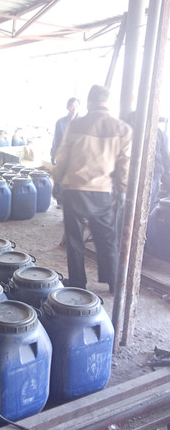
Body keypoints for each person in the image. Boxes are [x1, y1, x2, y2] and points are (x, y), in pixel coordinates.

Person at [52, 84, 132, 293]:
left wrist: (57, 181)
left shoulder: (75, 125)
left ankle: (78, 281)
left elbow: (62, 157)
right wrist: (122, 190)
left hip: (74, 190)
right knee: (106, 239)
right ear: (107, 102)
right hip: (102, 193)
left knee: (74, 239)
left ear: (89, 102)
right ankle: (113, 282)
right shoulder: (122, 129)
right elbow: (124, 165)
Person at [50, 97, 80, 208]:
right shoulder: (60, 122)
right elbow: (56, 139)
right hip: (62, 155)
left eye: (76, 106)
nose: (74, 109)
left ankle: (71, 202)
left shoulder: (82, 123)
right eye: (72, 106)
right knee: (61, 177)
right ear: (67, 107)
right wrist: (53, 154)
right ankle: (60, 201)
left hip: (76, 156)